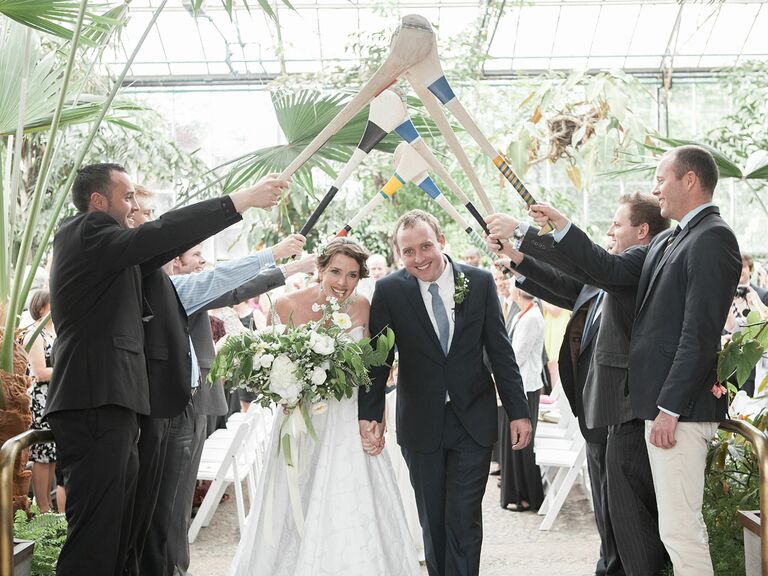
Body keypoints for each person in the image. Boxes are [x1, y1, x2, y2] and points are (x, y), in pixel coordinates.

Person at [45, 162, 288, 576]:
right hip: (94, 400)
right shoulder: (85, 231)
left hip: (116, 403)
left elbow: (158, 244)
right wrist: (241, 199)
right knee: (96, 538)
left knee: (122, 534)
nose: (135, 208)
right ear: (97, 202)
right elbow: (161, 234)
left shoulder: (112, 254)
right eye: (128, 199)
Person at [507, 146, 741, 576]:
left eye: (661, 178)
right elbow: (601, 271)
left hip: (677, 412)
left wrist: (670, 406)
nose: (656, 187)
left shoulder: (713, 237)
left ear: (690, 180)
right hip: (656, 409)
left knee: (681, 532)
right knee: (672, 530)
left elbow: (699, 333)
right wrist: (545, 235)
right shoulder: (675, 238)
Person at [126, 186, 311, 576]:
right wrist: (278, 258)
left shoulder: (167, 282)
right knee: (167, 503)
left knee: (174, 500)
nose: (200, 262)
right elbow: (231, 284)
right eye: (194, 255)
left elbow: (231, 285)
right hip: (170, 405)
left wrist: (286, 265)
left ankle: (175, 565)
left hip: (191, 398)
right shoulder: (161, 283)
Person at [488, 191, 671, 575]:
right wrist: (518, 258)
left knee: (630, 524)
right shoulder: (609, 273)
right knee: (608, 519)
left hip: (623, 414)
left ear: (642, 231)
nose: (609, 230)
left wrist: (525, 232)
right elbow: (569, 285)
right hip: (599, 413)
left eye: (617, 224)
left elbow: (591, 263)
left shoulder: (641, 261)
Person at [230, 237, 420, 576]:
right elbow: (269, 365)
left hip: (349, 421)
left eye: (351, 275)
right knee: (294, 499)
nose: (342, 283)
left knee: (352, 502)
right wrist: (286, 389)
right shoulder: (285, 305)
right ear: (319, 269)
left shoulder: (363, 306)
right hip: (300, 420)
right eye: (335, 272)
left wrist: (377, 415)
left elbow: (372, 369)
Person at [358, 209, 532, 576]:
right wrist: (368, 414)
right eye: (408, 252)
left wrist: (518, 411)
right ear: (398, 255)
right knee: (433, 519)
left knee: (464, 516)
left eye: (426, 246)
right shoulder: (389, 291)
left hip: (473, 420)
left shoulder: (481, 282)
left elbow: (500, 352)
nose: (419, 258)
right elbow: (378, 360)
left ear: (441, 241)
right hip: (421, 425)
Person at [499, 287, 544, 512]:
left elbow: (518, 355)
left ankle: (526, 495)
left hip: (525, 386)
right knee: (511, 442)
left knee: (522, 443)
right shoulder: (520, 315)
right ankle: (514, 491)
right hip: (517, 385)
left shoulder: (532, 317)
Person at [24, 290, 57, 514]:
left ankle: (49, 502)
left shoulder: (54, 332)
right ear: (41, 307)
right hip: (41, 399)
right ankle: (42, 505)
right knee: (42, 453)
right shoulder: (34, 334)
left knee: (52, 452)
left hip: (54, 397)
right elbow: (39, 371)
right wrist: (66, 370)